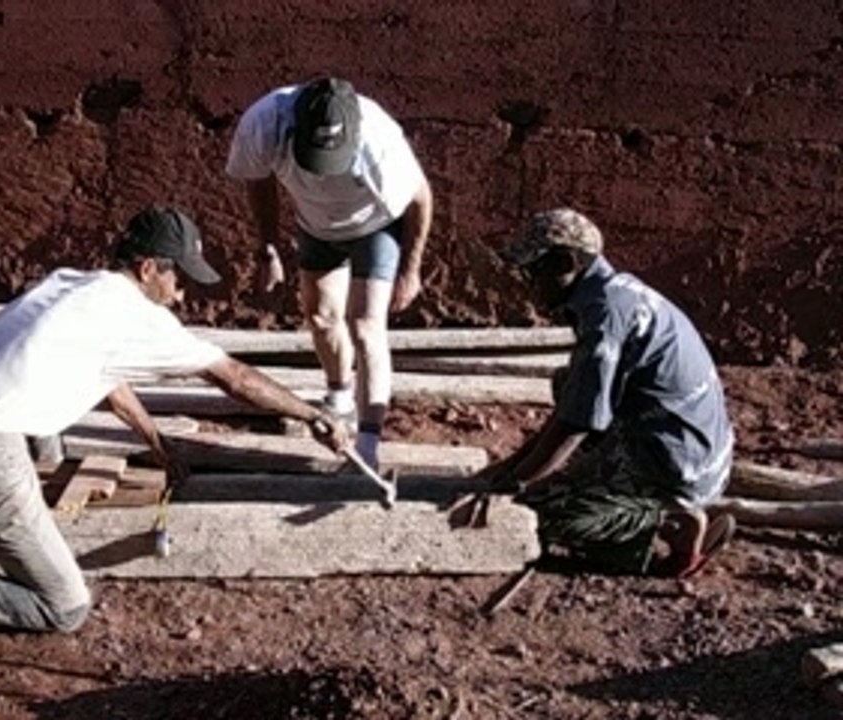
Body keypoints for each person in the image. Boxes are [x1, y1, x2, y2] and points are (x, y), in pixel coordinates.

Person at [0, 206, 349, 643]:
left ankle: (30, 501)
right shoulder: (139, 317)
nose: (182, 291)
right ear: (149, 269)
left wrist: (157, 443)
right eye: (178, 277)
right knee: (64, 608)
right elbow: (234, 376)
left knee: (44, 424)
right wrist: (313, 414)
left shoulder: (69, 283)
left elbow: (108, 380)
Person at [472, 207, 736, 577]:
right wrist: (512, 467)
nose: (530, 283)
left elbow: (577, 422)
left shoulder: (606, 316)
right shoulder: (614, 293)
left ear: (566, 262)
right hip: (681, 442)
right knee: (569, 382)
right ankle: (622, 487)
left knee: (539, 520)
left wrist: (515, 487)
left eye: (535, 271)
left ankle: (666, 524)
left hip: (678, 462)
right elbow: (574, 405)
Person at [225, 77, 433, 469]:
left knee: (366, 324)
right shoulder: (265, 124)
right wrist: (267, 246)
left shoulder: (379, 143)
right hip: (316, 225)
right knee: (320, 316)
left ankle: (369, 441)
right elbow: (258, 181)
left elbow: (421, 197)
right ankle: (340, 393)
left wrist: (411, 268)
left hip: (375, 223)